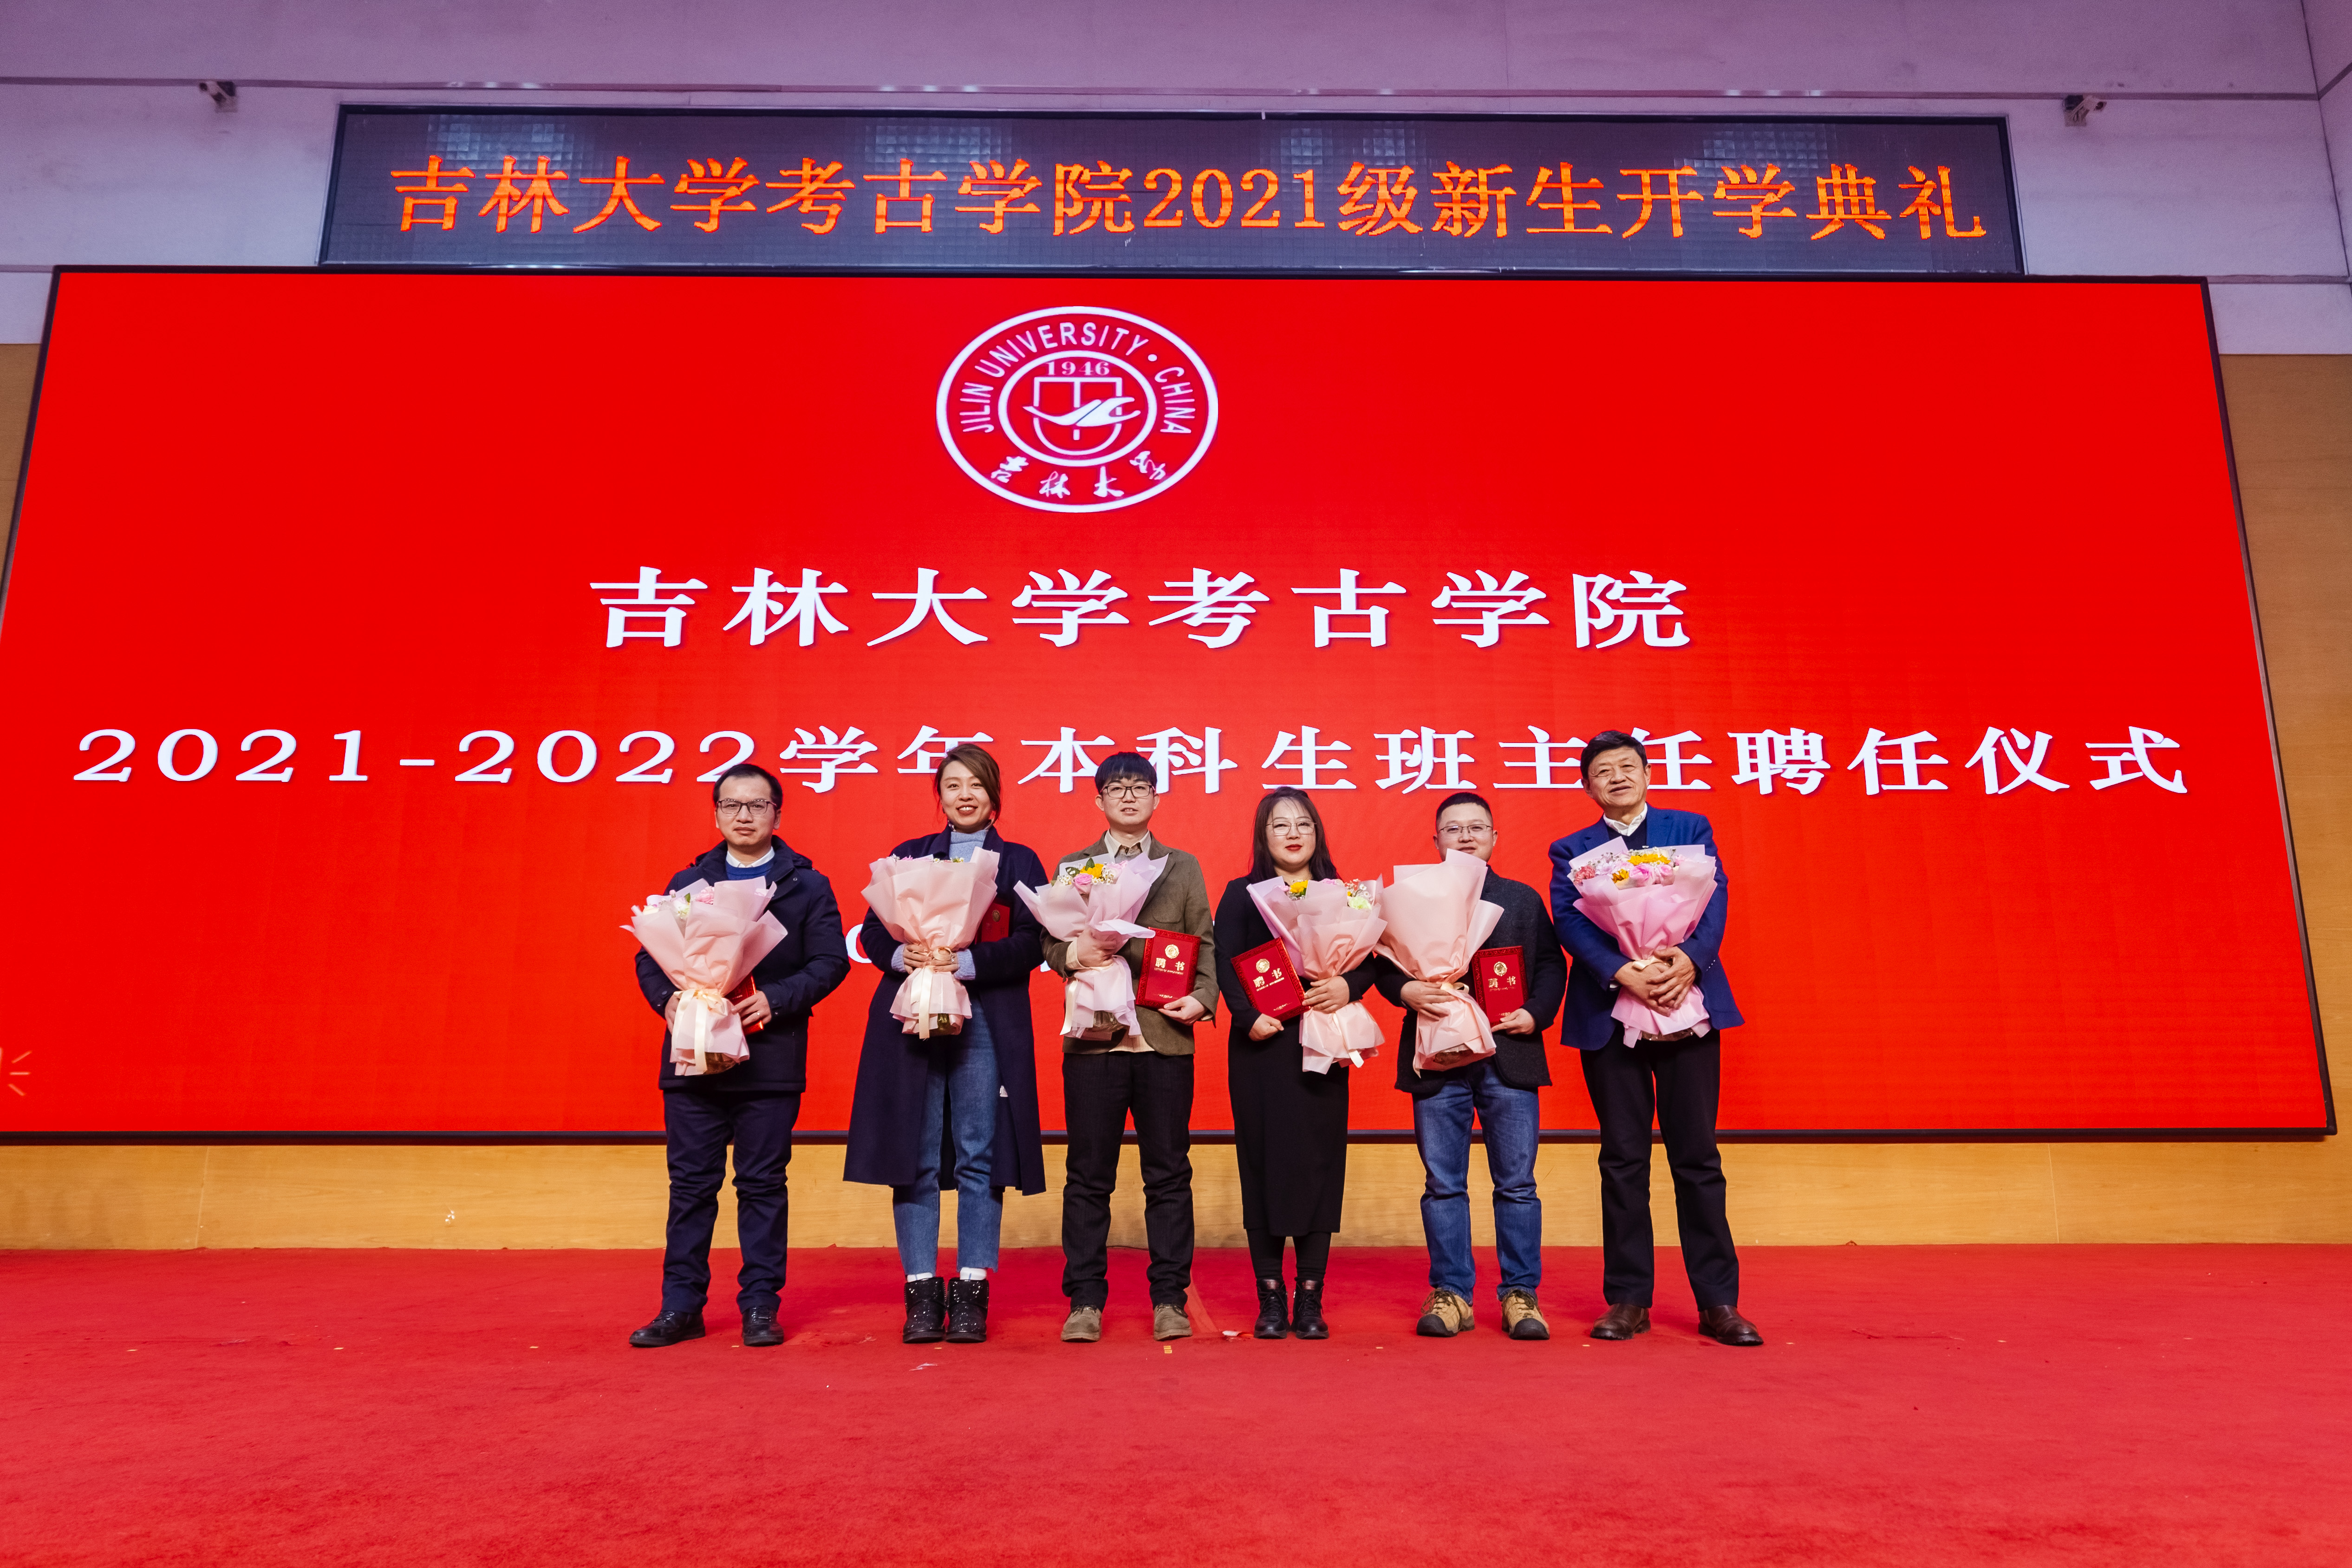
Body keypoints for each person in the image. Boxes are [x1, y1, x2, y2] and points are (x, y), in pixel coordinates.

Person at [1549, 731, 1763, 1347]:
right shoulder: (1571, 849)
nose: (1617, 777)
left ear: (1646, 774)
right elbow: (1570, 922)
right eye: (1603, 771)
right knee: (1622, 1159)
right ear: (1587, 786)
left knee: (1697, 1157)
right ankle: (1628, 1298)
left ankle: (1719, 1302)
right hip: (1610, 1012)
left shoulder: (1689, 828)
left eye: (1627, 766)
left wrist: (1689, 961)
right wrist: (1623, 972)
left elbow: (1714, 899)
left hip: (1686, 1004)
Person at [628, 762, 850, 1349]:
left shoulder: (807, 884)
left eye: (756, 805)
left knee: (761, 1184)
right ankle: (680, 1307)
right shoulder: (689, 880)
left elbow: (831, 962)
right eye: (731, 805)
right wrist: (669, 1000)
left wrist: (777, 998)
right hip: (694, 1057)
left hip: (769, 1056)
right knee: (690, 1186)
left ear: (777, 812)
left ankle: (759, 1305)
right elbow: (651, 954)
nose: (743, 815)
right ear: (717, 813)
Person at [844, 745, 1048, 1347]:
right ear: (940, 795)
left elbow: (1034, 942)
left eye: (976, 784)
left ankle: (971, 1293)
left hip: (984, 1019)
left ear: (994, 794)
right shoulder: (910, 855)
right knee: (916, 1152)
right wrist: (899, 953)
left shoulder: (1018, 861)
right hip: (912, 1015)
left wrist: (968, 962)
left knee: (979, 1151)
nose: (964, 795)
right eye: (953, 784)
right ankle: (921, 1292)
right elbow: (873, 931)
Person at [1372, 791, 1566, 1341]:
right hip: (1437, 1056)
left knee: (1518, 1184)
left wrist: (1536, 1013)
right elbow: (1381, 963)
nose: (1465, 835)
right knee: (1442, 1183)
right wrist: (1404, 989)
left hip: (1510, 1054)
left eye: (1476, 827)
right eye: (1453, 828)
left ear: (1494, 837)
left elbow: (1551, 965)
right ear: (1435, 839)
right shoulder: (1407, 898)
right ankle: (1451, 1292)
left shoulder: (1521, 898)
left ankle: (1520, 1295)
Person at [1042, 752, 1218, 1345]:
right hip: (1094, 1040)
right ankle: (1084, 1300)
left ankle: (1169, 1297)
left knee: (1168, 1174)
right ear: (1098, 800)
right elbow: (1050, 941)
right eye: (1115, 787)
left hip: (1164, 1036)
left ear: (1155, 798)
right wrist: (1076, 954)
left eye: (1139, 786)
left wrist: (1203, 998)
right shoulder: (1075, 866)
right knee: (1088, 1175)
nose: (1127, 795)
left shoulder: (1182, 865)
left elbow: (1204, 941)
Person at [1212, 788, 1376, 1341]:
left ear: (1317, 832)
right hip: (1263, 1044)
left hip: (1322, 1039)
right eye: (1279, 824)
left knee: (1318, 1163)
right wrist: (1245, 1017)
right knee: (1261, 1163)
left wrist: (1347, 985)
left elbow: (1372, 959)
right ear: (1263, 836)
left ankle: (1309, 1294)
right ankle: (1269, 1296)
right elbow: (1224, 960)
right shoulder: (1241, 894)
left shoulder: (1346, 892)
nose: (1292, 833)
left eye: (1303, 823)